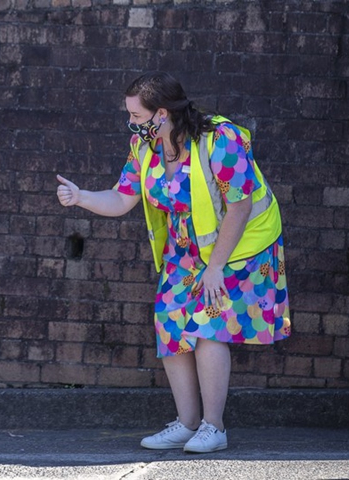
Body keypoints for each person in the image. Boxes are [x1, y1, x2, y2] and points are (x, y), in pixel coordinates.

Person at [56, 72, 291, 453]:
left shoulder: (220, 140)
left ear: (161, 114)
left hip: (241, 245)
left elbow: (241, 205)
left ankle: (213, 428)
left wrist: (216, 266)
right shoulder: (143, 146)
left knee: (208, 325)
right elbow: (121, 199)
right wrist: (80, 196)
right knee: (170, 324)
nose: (131, 123)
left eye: (136, 115)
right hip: (185, 250)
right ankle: (187, 423)